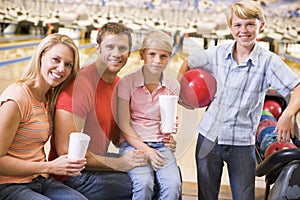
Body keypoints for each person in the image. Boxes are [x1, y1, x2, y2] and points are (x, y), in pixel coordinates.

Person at [177, 1, 300, 199]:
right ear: (230, 27)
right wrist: (181, 95)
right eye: (238, 25)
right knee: (206, 196)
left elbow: (298, 87)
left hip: (242, 143)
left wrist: (288, 113)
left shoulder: (268, 61)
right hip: (209, 138)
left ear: (261, 25)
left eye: (250, 24)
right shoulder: (216, 53)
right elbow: (187, 62)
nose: (244, 30)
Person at [48, 22, 177, 200]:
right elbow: (66, 152)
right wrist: (119, 163)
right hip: (73, 176)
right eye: (110, 47)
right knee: (149, 186)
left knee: (169, 173)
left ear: (129, 53)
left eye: (122, 48)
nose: (116, 54)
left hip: (96, 163)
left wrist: (157, 142)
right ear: (98, 49)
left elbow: (119, 138)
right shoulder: (80, 86)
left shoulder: (119, 85)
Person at [0, 33, 87, 200]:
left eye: (68, 64)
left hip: (40, 179)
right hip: (8, 185)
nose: (61, 69)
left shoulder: (49, 97)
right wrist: (49, 166)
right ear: (41, 57)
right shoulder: (16, 98)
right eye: (55, 59)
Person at [117, 30, 182, 200]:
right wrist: (147, 151)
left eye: (163, 56)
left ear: (169, 58)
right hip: (132, 145)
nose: (157, 60)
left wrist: (172, 132)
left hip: (160, 144)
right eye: (152, 54)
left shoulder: (173, 85)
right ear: (142, 55)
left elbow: (171, 120)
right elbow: (123, 125)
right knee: (144, 183)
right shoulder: (127, 82)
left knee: (173, 185)